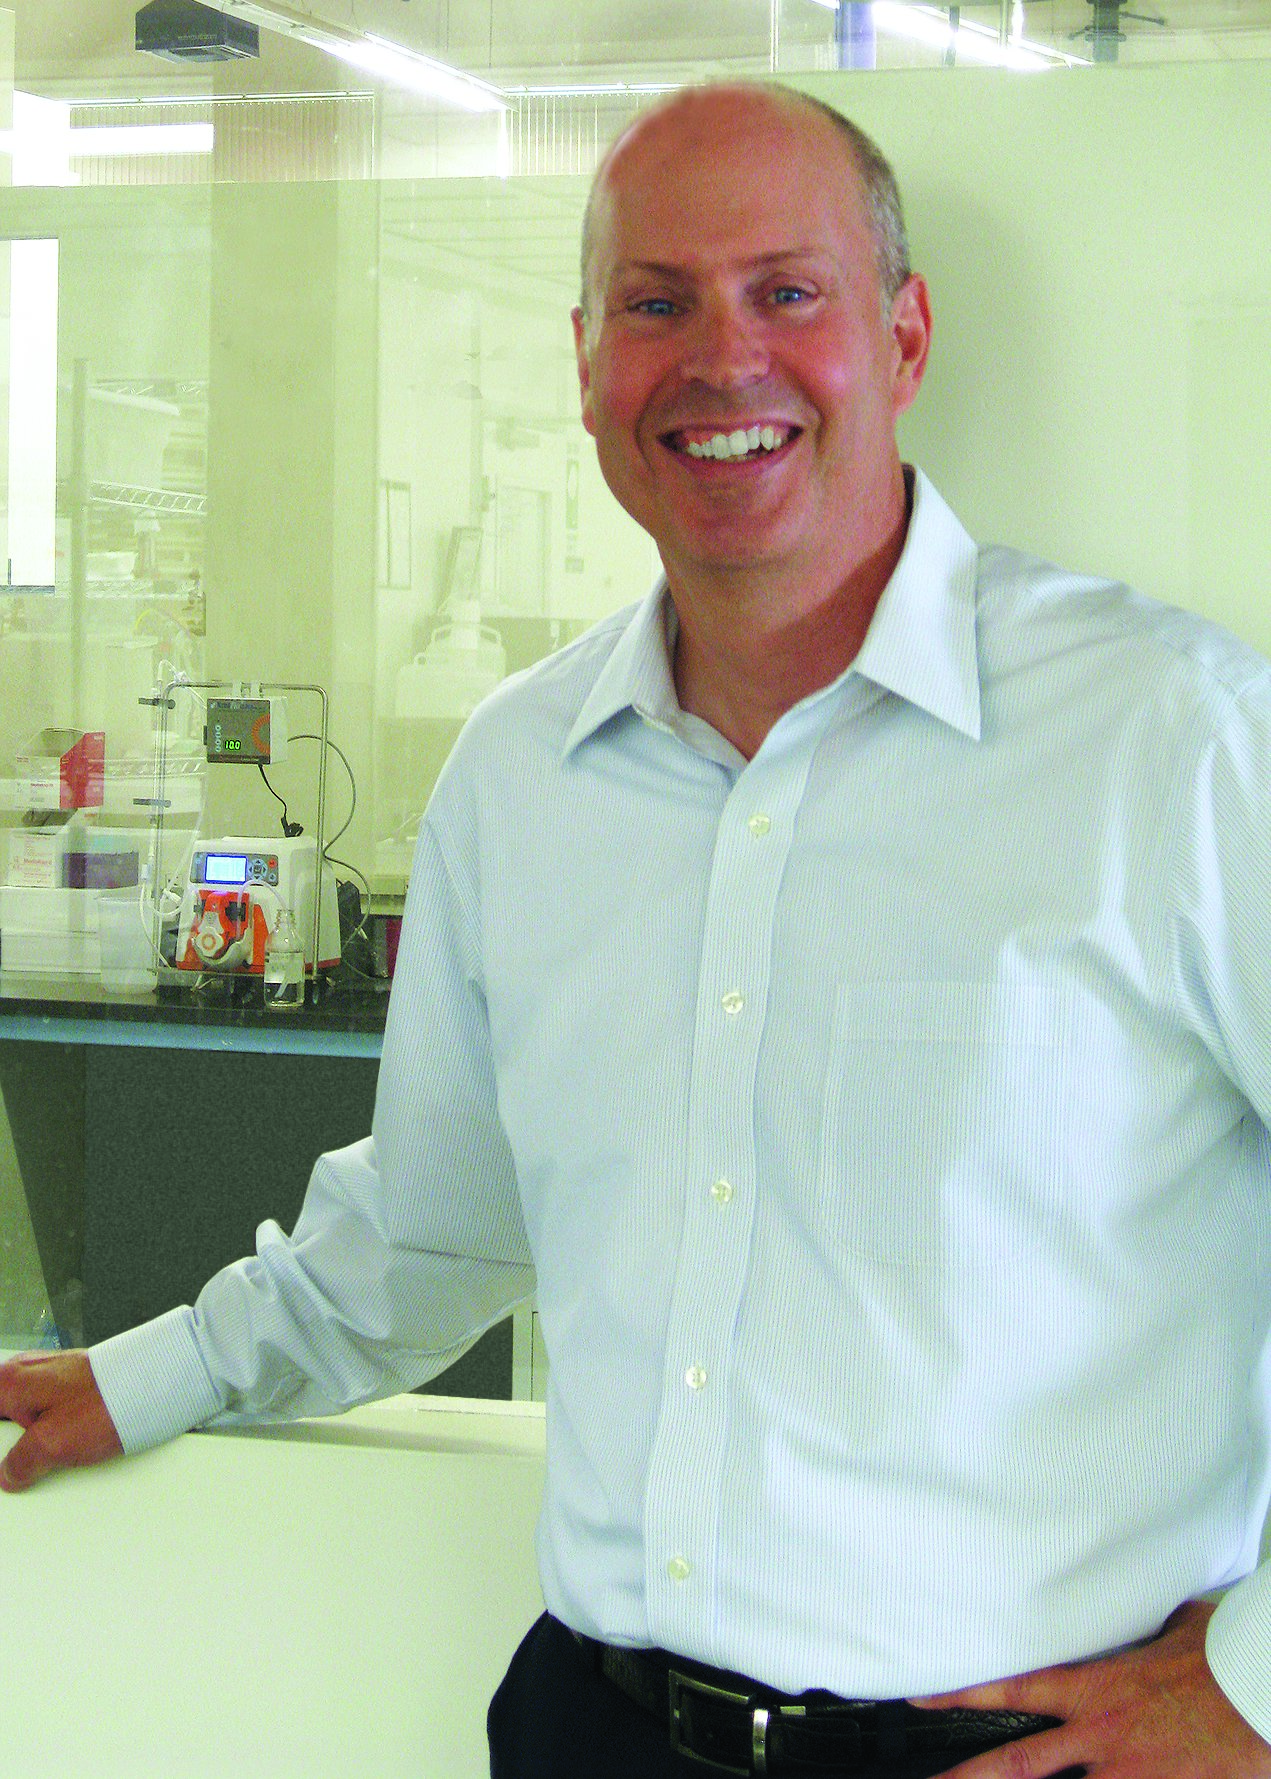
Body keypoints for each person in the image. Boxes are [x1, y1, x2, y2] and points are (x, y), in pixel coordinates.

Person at [2, 81, 1269, 1779]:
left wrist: (1256, 1684)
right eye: (657, 303)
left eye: (786, 292)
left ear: (901, 336)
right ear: (587, 361)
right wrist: (140, 1379)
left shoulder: (1173, 742)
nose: (722, 359)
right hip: (597, 1729)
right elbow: (432, 1228)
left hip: (1020, 1749)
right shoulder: (522, 773)